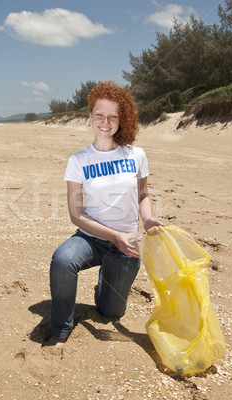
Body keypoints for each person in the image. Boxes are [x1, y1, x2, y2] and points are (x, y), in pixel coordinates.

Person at [47, 81, 164, 347]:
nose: (105, 122)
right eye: (99, 115)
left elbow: (143, 195)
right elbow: (76, 215)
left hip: (126, 246)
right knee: (62, 260)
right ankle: (60, 329)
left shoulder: (136, 155)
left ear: (122, 120)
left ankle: (105, 285)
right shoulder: (78, 161)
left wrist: (146, 219)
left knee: (110, 313)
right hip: (90, 238)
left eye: (113, 116)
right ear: (90, 116)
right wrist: (113, 236)